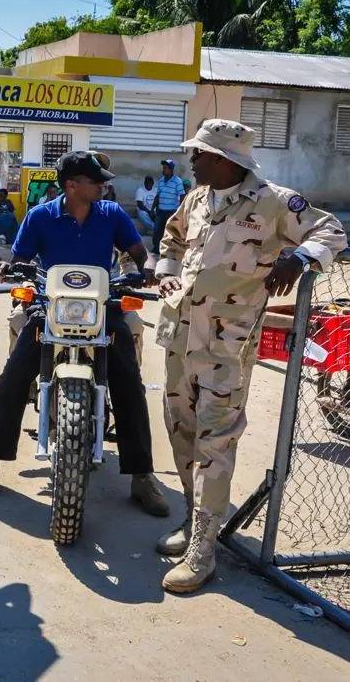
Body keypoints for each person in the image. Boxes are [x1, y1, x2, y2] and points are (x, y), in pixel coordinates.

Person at [154, 119, 347, 594]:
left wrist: (299, 258)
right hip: (180, 337)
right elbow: (173, 237)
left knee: (216, 442)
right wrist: (167, 272)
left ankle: (204, 549)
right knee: (181, 432)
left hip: (226, 346)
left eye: (198, 154)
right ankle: (192, 520)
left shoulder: (274, 202)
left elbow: (332, 231)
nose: (191, 161)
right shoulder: (196, 199)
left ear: (224, 160)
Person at [0, 151, 170, 517]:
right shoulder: (40, 216)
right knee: (13, 375)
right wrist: (3, 268)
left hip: (102, 306)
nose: (104, 185)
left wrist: (149, 268)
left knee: (129, 380)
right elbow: (19, 261)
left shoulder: (111, 214)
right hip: (51, 305)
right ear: (72, 185)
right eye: (96, 180)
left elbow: (140, 252)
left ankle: (141, 475)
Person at [151, 160, 185, 254]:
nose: (163, 170)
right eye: (163, 168)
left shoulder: (177, 181)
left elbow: (182, 196)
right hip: (161, 211)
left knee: (170, 233)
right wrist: (152, 209)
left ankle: (169, 251)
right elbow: (157, 196)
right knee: (157, 231)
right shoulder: (161, 180)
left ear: (171, 170)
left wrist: (181, 211)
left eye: (165, 168)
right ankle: (156, 249)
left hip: (172, 211)